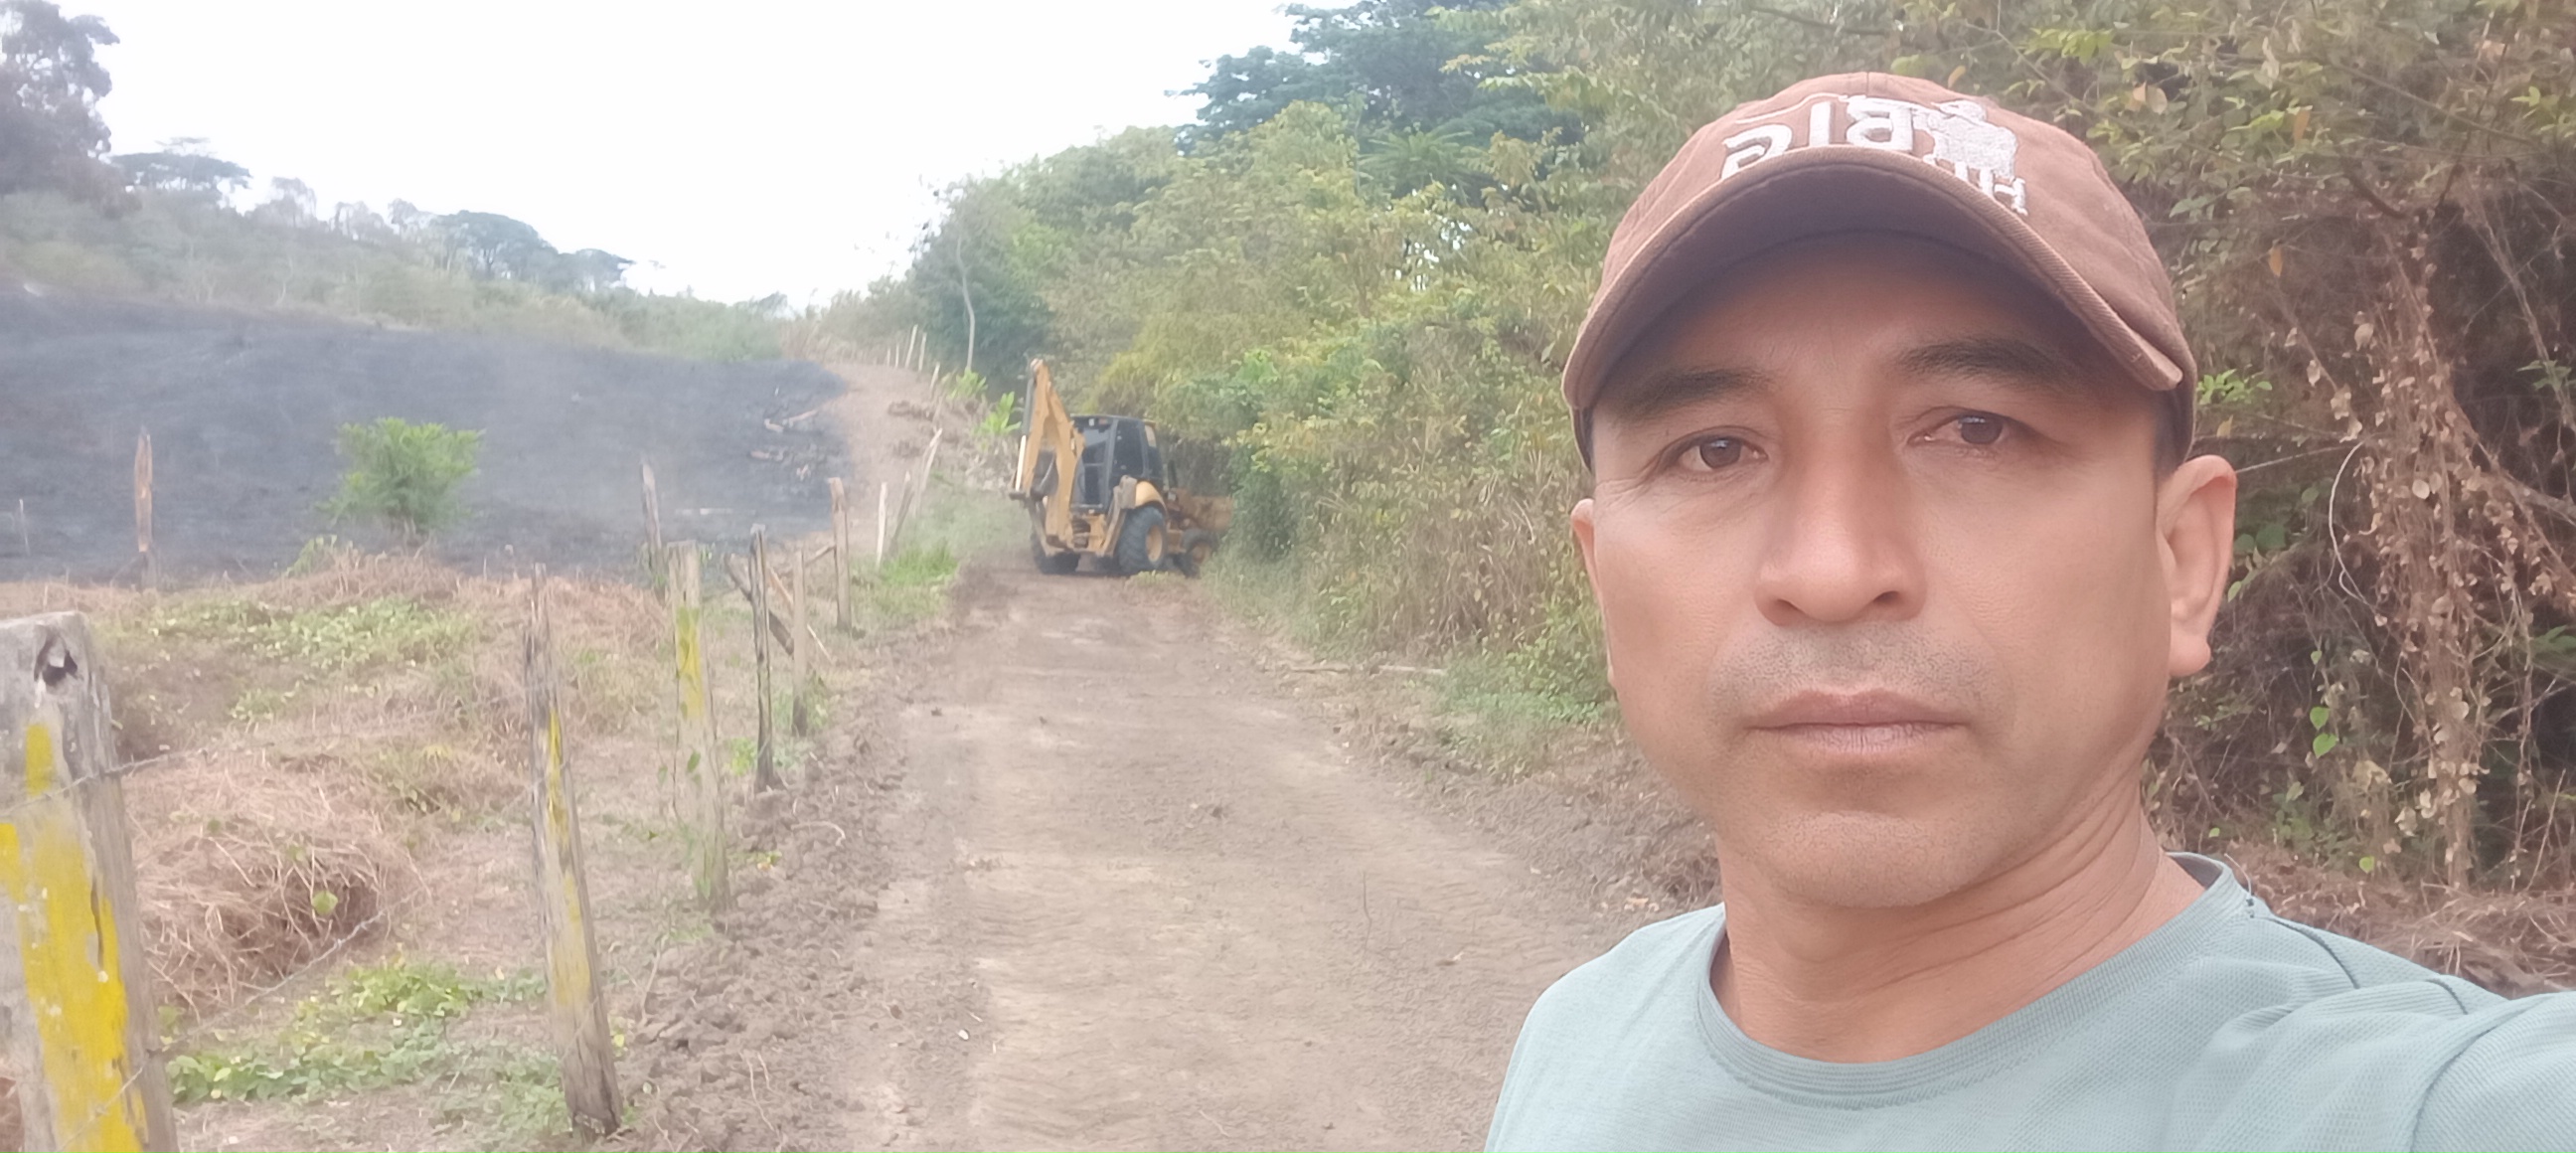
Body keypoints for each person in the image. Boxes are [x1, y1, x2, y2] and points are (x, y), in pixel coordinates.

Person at [1486, 72, 2576, 1153]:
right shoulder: (1578, 1035)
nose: (1831, 570)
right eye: (1714, 449)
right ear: (1605, 583)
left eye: (1979, 429)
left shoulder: (2415, 1105)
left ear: (2182, 560)